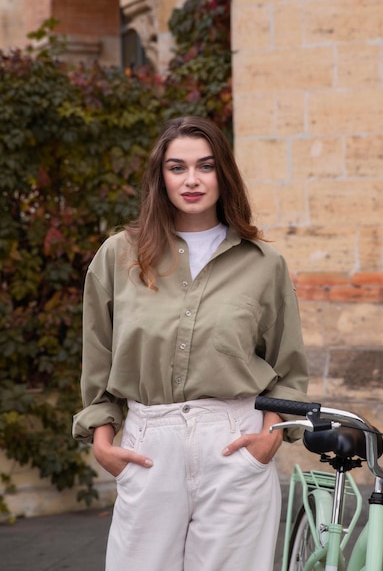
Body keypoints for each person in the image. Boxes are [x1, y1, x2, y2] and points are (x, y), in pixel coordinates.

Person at [72, 115, 308, 571]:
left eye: (206, 166)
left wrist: (268, 439)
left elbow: (286, 362)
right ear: (160, 177)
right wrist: (103, 441)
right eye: (177, 167)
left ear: (225, 175)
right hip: (149, 444)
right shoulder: (119, 255)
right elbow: (97, 356)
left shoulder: (263, 263)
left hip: (234, 439)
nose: (192, 180)